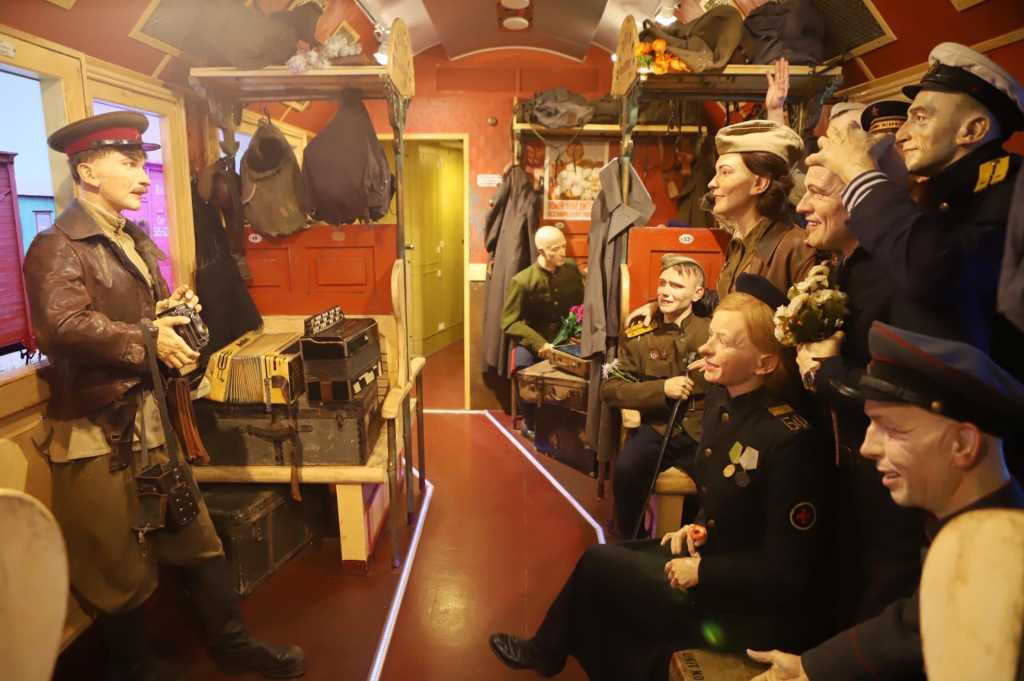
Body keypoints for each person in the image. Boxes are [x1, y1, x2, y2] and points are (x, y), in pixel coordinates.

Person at [22, 111, 304, 681]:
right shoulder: (56, 246)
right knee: (114, 563)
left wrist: (169, 315)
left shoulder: (131, 239)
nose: (143, 176)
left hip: (151, 422)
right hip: (98, 434)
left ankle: (233, 646)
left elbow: (130, 316)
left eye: (141, 162)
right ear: (87, 171)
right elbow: (60, 326)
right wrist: (149, 336)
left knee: (196, 538)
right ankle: (134, 669)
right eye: (128, 163)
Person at [489, 277, 830, 681]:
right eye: (711, 336)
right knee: (601, 566)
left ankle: (551, 652)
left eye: (723, 341)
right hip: (712, 556)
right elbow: (728, 502)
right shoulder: (723, 404)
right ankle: (553, 652)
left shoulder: (788, 440)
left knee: (605, 576)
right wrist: (698, 526)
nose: (706, 348)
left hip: (744, 603)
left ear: (765, 364)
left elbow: (787, 570)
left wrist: (703, 573)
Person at [748, 321, 1024, 681]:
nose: (867, 447)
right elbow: (917, 621)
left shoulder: (999, 557)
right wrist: (810, 667)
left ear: (963, 444)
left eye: (893, 429)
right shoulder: (975, 535)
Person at [794, 144, 951, 628]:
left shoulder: (894, 277)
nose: (802, 206)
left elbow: (913, 393)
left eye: (818, 194)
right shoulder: (841, 265)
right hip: (844, 462)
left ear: (861, 200)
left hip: (889, 470)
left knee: (882, 587)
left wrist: (826, 374)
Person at [807, 42, 1024, 383]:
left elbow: (933, 271)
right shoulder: (945, 194)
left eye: (920, 118)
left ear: (973, 130)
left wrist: (859, 172)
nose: (903, 134)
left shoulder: (1010, 189)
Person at [600, 255, 711, 538]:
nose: (665, 291)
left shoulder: (711, 330)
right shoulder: (640, 335)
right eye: (662, 284)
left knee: (720, 482)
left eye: (677, 286)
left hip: (701, 429)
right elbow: (611, 389)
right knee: (626, 469)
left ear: (698, 293)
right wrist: (662, 389)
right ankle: (630, 542)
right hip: (657, 426)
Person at [500, 225, 585, 435]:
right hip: (535, 339)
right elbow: (509, 322)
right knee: (523, 368)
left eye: (564, 246)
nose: (563, 252)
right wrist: (539, 343)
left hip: (566, 338)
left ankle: (567, 423)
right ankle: (530, 422)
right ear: (541, 251)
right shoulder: (522, 281)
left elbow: (581, 304)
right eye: (555, 249)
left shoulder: (571, 270)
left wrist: (578, 333)